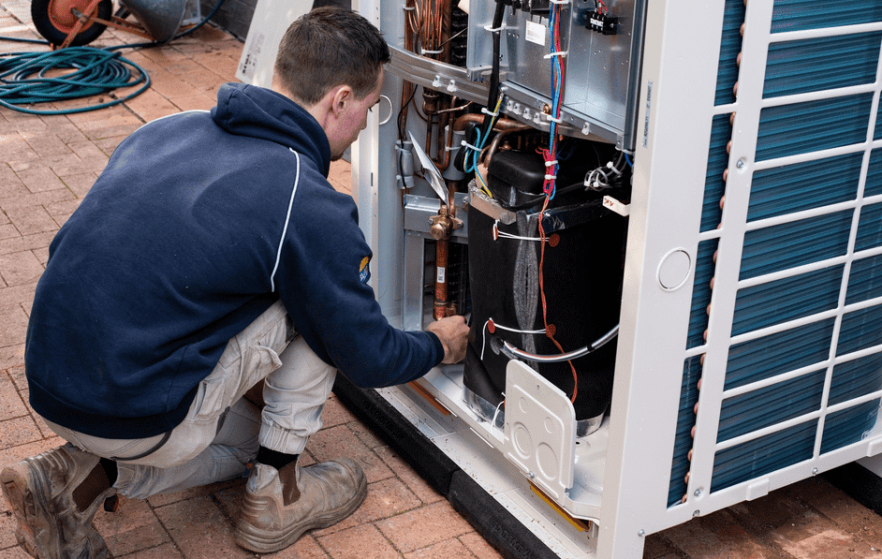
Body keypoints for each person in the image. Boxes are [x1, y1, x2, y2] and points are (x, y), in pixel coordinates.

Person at [1, 7, 469, 559]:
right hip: (138, 411)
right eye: (371, 106)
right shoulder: (307, 203)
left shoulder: (169, 128)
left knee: (245, 416)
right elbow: (364, 355)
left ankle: (68, 482)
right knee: (316, 315)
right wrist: (438, 344)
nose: (368, 122)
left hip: (58, 381)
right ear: (341, 100)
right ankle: (278, 498)